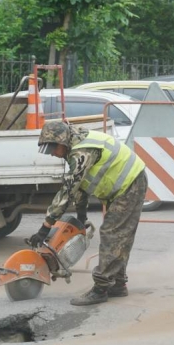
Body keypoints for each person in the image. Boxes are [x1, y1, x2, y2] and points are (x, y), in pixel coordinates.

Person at [30, 121, 148, 306]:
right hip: (121, 188)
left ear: (62, 143)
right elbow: (82, 186)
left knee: (112, 234)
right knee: (118, 236)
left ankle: (101, 289)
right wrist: (81, 215)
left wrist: (46, 226)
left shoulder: (81, 152)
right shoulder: (75, 143)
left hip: (130, 184)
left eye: (52, 148)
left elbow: (69, 189)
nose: (52, 153)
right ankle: (117, 284)